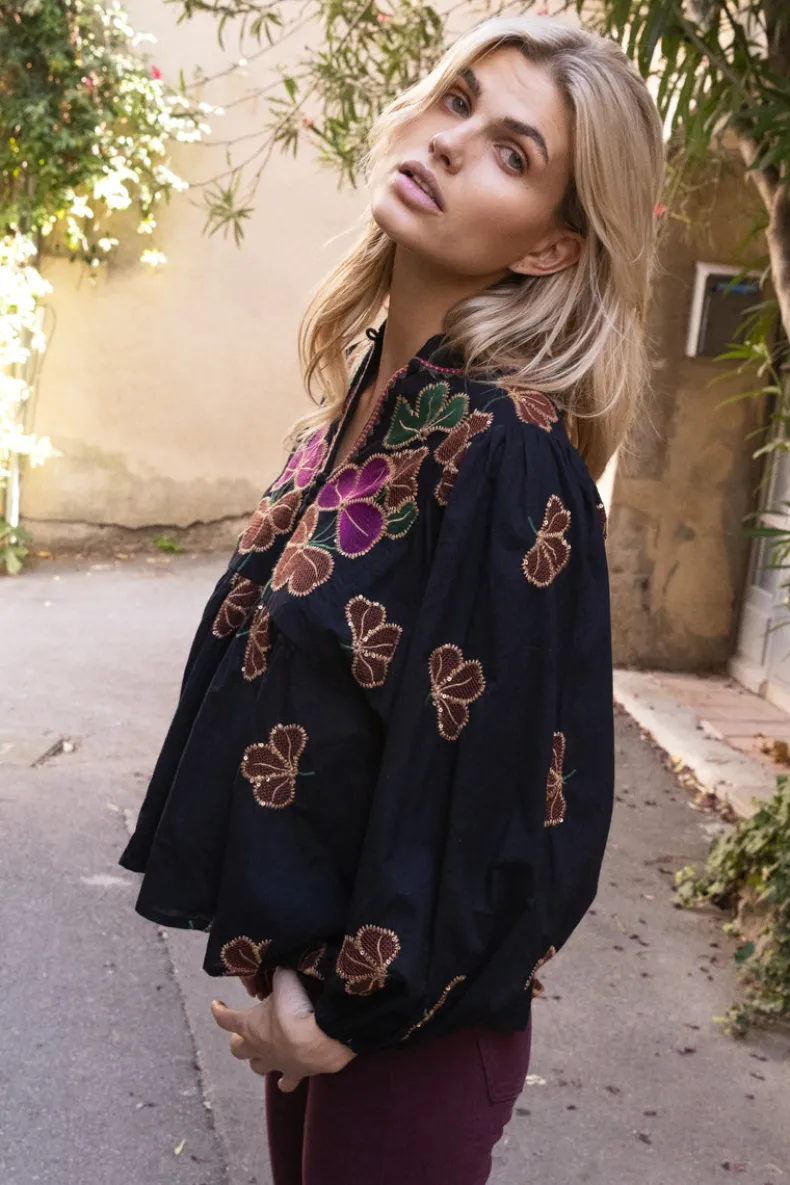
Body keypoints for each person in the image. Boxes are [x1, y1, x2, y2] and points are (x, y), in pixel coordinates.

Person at [119, 11, 665, 1184]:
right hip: (320, 997)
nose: (452, 142)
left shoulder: (503, 450)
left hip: (403, 1028)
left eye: (513, 153)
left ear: (550, 249)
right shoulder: (371, 408)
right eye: (458, 100)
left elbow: (505, 795)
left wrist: (344, 1013)